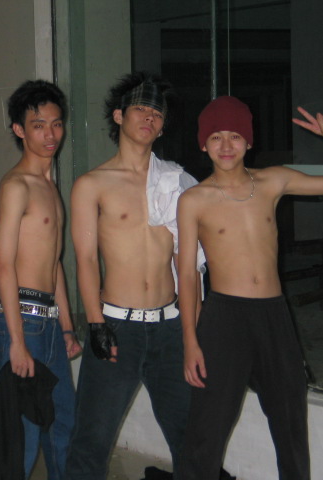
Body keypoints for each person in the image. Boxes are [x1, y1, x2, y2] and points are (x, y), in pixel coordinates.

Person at [177, 96, 323, 479]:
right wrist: (190, 341)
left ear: (248, 141)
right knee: (207, 427)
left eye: (234, 135)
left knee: (289, 418)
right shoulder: (194, 199)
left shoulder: (272, 180)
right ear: (203, 144)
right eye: (215, 136)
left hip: (274, 316)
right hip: (224, 318)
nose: (226, 145)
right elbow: (187, 274)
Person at [64, 72, 206, 480]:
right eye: (140, 108)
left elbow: (189, 264)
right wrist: (95, 323)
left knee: (191, 440)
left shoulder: (176, 182)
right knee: (91, 441)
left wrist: (192, 332)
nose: (149, 117)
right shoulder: (92, 184)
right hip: (117, 327)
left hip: (170, 327)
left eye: (157, 113)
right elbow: (86, 260)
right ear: (119, 116)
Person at [0, 80, 81, 479]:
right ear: (19, 129)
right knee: (19, 439)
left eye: (56, 124)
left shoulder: (50, 186)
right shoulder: (16, 185)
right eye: (38, 125)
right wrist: (17, 342)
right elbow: (4, 264)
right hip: (22, 319)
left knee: (63, 425)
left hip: (50, 323)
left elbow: (53, 262)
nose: (50, 134)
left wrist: (68, 326)